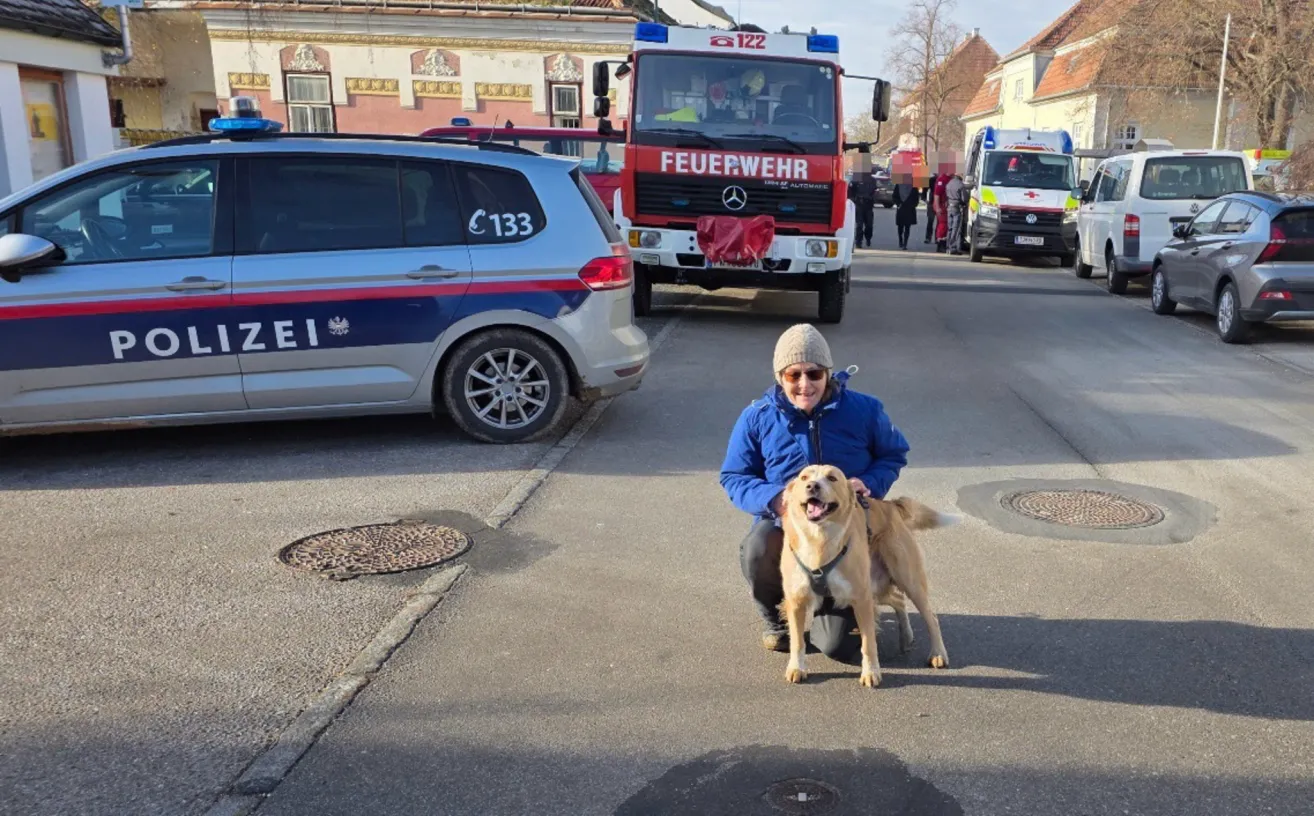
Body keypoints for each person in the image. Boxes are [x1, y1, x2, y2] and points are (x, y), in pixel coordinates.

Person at [720, 324, 911, 663]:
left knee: (837, 648)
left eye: (814, 373)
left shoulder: (865, 410)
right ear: (780, 376)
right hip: (788, 527)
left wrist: (869, 482)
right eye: (793, 375)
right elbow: (734, 476)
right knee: (758, 547)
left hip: (846, 531)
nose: (804, 384)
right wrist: (774, 499)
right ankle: (778, 620)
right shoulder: (756, 417)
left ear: (828, 373)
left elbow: (893, 454)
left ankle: (843, 606)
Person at [848, 169, 877, 248]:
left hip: (868, 205)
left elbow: (875, 191)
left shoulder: (872, 180)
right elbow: (850, 190)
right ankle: (858, 241)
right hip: (859, 204)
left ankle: (868, 238)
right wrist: (853, 199)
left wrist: (873, 198)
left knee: (869, 225)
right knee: (859, 225)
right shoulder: (856, 179)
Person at [892, 176, 919, 250]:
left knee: (907, 227)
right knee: (900, 226)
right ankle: (900, 240)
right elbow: (894, 196)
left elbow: (916, 198)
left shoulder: (914, 186)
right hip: (901, 208)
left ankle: (905, 243)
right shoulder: (899, 185)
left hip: (909, 209)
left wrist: (913, 205)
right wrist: (898, 204)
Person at [945, 171, 966, 255]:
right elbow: (964, 199)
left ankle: (947, 247)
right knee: (956, 228)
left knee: (950, 228)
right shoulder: (960, 185)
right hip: (957, 208)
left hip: (949, 207)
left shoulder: (949, 183)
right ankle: (953, 247)